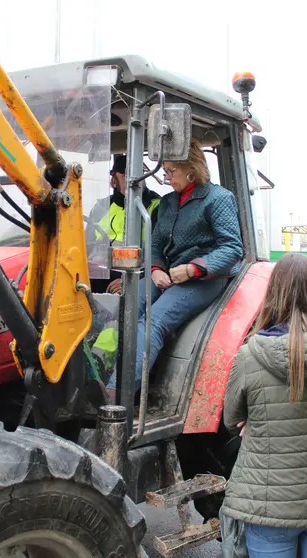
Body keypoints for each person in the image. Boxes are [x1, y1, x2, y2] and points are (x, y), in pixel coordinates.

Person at [222, 253, 307, 558]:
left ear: (274, 293)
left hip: (267, 503)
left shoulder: (250, 355)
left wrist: (255, 419)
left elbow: (231, 421)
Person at [105, 140, 243, 397]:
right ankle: (106, 376)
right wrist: (156, 269)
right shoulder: (168, 203)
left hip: (204, 278)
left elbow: (232, 248)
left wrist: (193, 269)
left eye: (171, 171)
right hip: (167, 274)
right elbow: (155, 244)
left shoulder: (218, 199)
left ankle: (118, 395)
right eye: (165, 171)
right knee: (126, 309)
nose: (167, 178)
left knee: (154, 321)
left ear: (192, 168)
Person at [87, 154, 161, 294]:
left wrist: (130, 279)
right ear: (113, 180)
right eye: (125, 176)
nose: (132, 181)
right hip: (99, 274)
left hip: (138, 276)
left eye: (133, 175)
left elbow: (159, 254)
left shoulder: (156, 207)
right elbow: (85, 248)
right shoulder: (101, 207)